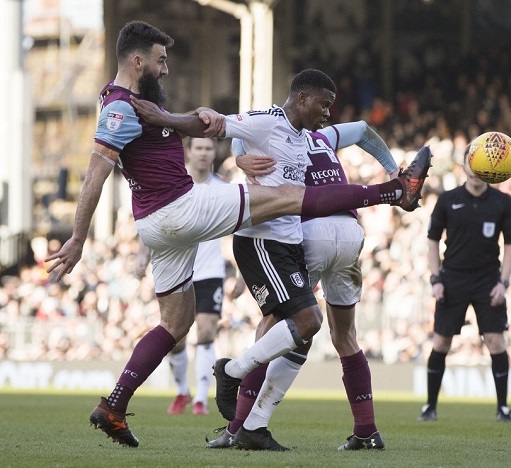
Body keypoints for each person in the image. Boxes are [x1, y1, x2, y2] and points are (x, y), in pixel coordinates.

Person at [44, 21, 429, 448]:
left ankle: (114, 405)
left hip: (159, 225)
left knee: (176, 323)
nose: (167, 69)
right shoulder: (120, 106)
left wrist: (199, 125)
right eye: (161, 60)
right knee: (285, 196)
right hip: (179, 208)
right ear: (138, 61)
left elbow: (198, 127)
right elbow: (96, 171)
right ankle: (393, 191)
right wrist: (78, 238)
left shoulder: (133, 101)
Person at [206, 120, 408, 451]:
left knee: (274, 327)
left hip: (312, 230)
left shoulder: (277, 137)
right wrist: (391, 170)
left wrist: (240, 157)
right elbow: (362, 130)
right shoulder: (324, 136)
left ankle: (238, 425)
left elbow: (237, 132)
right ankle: (366, 431)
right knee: (344, 337)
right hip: (350, 231)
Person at [418, 155, 511, 423]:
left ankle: (503, 408)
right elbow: (432, 241)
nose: (475, 172)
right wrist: (436, 279)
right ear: (464, 167)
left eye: (481, 166)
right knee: (441, 342)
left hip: (488, 280)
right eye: (471, 165)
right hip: (453, 279)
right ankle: (430, 406)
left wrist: (503, 282)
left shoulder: (502, 202)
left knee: (496, 341)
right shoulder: (448, 200)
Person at [135, 136, 227, 416]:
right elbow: (154, 215)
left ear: (214, 153)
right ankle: (181, 391)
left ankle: (201, 398)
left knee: (207, 330)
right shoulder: (175, 183)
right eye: (198, 147)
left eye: (208, 148)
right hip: (178, 268)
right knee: (176, 337)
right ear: (188, 151)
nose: (203, 153)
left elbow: (241, 229)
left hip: (211, 271)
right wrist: (142, 253)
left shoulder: (223, 188)